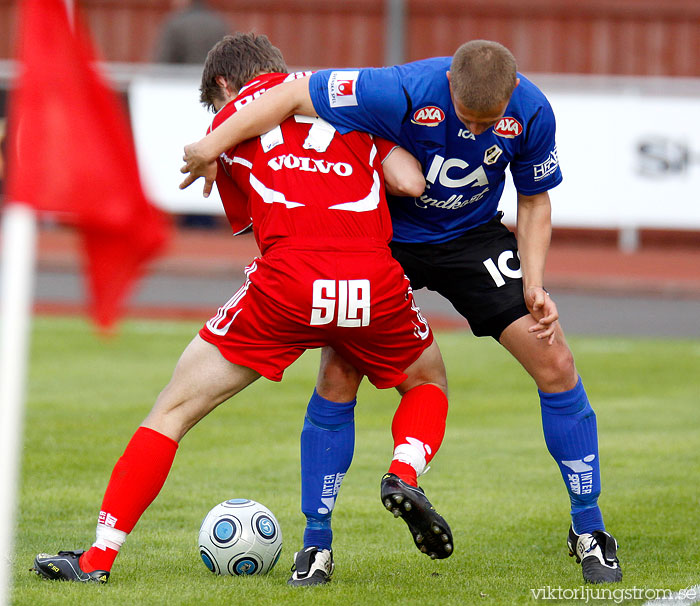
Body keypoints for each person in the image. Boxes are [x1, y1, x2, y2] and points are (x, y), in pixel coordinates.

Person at [179, 39, 623, 584]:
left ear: (512, 92)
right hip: (385, 239)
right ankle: (316, 543)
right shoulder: (399, 86)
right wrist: (211, 145)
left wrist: (535, 284)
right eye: (467, 119)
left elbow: (533, 200)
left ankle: (589, 529)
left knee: (555, 361)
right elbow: (293, 94)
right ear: (448, 87)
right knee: (339, 373)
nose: (480, 133)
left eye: (492, 122)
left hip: (473, 238)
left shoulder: (532, 110)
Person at [32, 33, 453, 588]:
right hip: (371, 283)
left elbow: (251, 207)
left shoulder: (230, 121)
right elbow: (409, 181)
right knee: (427, 381)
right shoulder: (350, 107)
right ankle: (403, 472)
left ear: (226, 86)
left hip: (290, 285)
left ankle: (97, 559)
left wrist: (219, 154)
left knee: (172, 410)